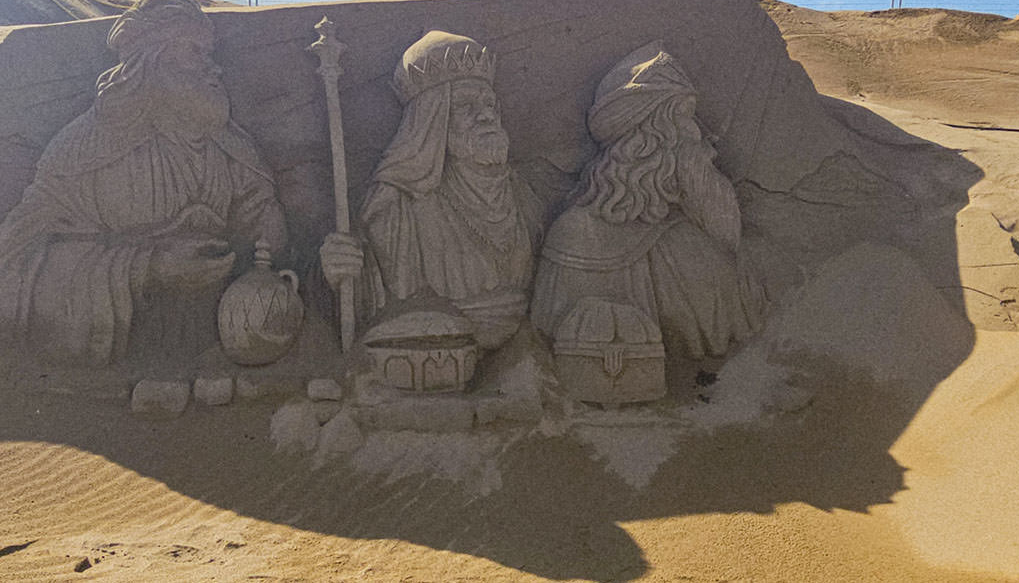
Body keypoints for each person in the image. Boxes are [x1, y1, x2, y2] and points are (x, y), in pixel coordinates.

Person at [0, 0, 287, 366]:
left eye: (210, 54)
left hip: (224, 357)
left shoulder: (234, 151)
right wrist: (146, 268)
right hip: (112, 373)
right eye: (194, 52)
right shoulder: (83, 151)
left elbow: (270, 244)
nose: (214, 69)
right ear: (149, 63)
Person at [530, 42, 764, 392]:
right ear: (649, 141)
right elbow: (544, 337)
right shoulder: (574, 236)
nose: (704, 135)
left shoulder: (693, 242)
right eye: (686, 118)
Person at [320, 31, 541, 348]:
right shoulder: (397, 208)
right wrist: (339, 272)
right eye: (465, 105)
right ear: (431, 121)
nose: (487, 115)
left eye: (490, 103)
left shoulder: (523, 195)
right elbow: (367, 302)